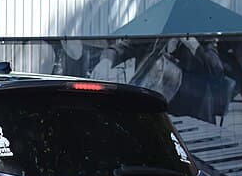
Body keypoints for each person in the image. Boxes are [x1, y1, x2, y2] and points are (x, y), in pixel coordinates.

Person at [91, 36, 227, 123]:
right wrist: (106, 61)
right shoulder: (155, 33)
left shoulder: (203, 36)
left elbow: (217, 71)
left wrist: (194, 45)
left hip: (194, 111)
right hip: (158, 111)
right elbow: (121, 48)